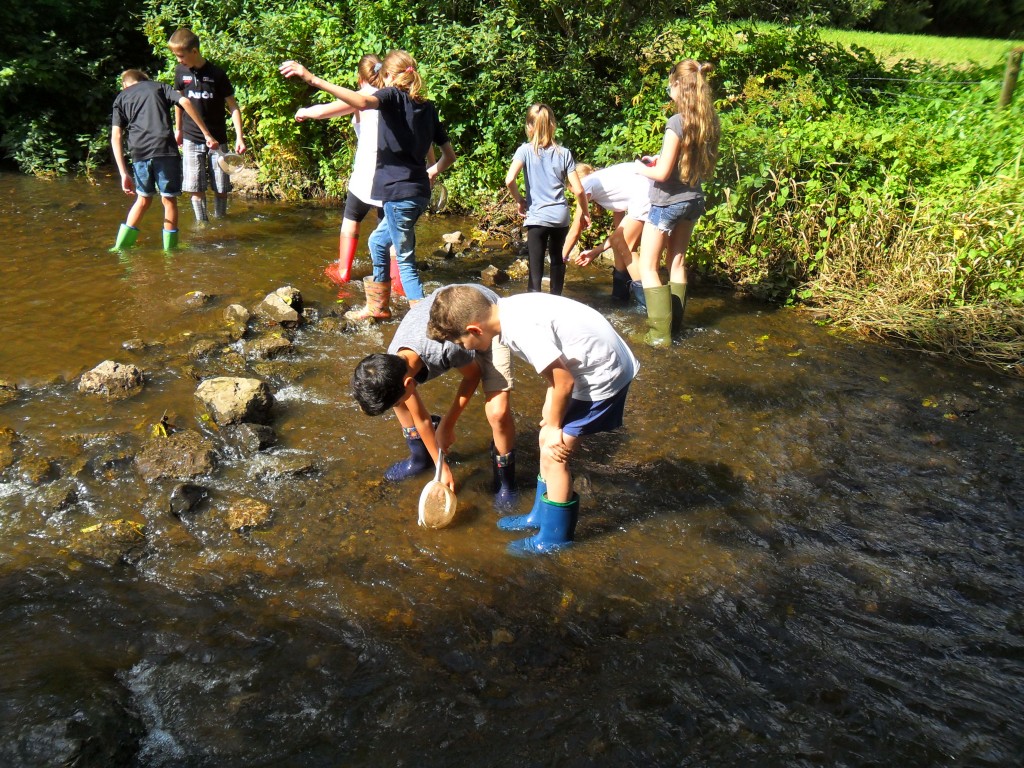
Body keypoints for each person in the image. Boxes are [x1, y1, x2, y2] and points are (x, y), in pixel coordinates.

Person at [428, 285, 639, 556]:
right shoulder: (506, 309)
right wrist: (550, 417)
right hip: (588, 364)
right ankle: (540, 515)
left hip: (602, 374)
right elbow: (558, 375)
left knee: (554, 453)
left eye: (461, 343)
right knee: (545, 438)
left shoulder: (519, 330)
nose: (463, 349)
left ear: (475, 330)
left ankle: (554, 539)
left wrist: (554, 426)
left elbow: (564, 380)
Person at [280, 50, 456, 320]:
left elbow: (361, 101)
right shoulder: (427, 106)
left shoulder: (390, 96)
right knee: (377, 241)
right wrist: (431, 172)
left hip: (398, 194)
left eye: (382, 77)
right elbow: (449, 155)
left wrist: (313, 78)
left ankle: (423, 323)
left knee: (406, 261)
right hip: (418, 193)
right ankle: (378, 307)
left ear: (388, 76)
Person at [352, 284, 517, 511]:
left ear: (410, 383)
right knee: (399, 403)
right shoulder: (392, 363)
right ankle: (420, 457)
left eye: (403, 394)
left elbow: (473, 377)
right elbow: (419, 417)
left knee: (497, 412)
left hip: (483, 315)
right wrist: (442, 467)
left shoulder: (446, 349)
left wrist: (447, 425)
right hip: (448, 317)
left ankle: (505, 479)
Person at [293, 54, 409, 294]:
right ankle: (396, 283)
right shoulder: (399, 98)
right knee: (389, 232)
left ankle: (344, 271)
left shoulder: (363, 98)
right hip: (393, 179)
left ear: (359, 77)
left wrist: (305, 111)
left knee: (351, 221)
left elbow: (326, 110)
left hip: (365, 178)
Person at [634, 60, 721, 347]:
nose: (668, 89)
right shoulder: (708, 121)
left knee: (647, 267)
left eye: (670, 84)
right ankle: (676, 328)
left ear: (678, 86)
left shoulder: (676, 122)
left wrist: (639, 167)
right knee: (678, 262)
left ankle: (659, 336)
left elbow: (660, 173)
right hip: (693, 199)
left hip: (667, 202)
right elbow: (686, 163)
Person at [110, 69, 220, 251]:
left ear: (125, 84)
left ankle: (120, 247)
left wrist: (123, 173)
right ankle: (171, 250)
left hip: (139, 152)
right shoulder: (159, 87)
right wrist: (206, 133)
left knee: (143, 199)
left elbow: (116, 135)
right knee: (168, 200)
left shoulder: (121, 97)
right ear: (145, 79)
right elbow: (184, 101)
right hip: (164, 149)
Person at [505, 104, 589, 296]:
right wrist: (585, 212)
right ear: (553, 125)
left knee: (535, 269)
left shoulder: (524, 151)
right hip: (560, 216)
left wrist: (519, 200)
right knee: (558, 260)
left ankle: (535, 308)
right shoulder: (564, 153)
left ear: (529, 127)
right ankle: (556, 300)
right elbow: (578, 190)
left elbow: (509, 179)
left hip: (538, 217)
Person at [168, 29, 246, 223]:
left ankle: (221, 220)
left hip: (218, 138)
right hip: (191, 137)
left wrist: (239, 136)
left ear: (194, 51)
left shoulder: (217, 74)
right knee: (195, 186)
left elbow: (233, 107)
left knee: (221, 186)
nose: (178, 60)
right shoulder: (180, 72)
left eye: (181, 55)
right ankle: (202, 224)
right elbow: (180, 102)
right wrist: (178, 129)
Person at [562, 161, 653, 306]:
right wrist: (595, 252)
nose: (573, 194)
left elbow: (575, 229)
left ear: (574, 183)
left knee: (627, 248)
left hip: (647, 196)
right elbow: (618, 235)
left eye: (570, 190)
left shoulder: (584, 185)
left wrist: (562, 256)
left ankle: (649, 303)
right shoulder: (607, 185)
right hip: (648, 191)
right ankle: (620, 296)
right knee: (621, 245)